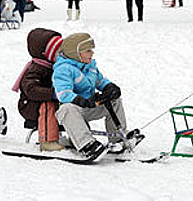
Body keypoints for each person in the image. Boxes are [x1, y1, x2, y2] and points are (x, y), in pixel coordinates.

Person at [52, 33, 139, 161]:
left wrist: (110, 87)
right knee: (67, 109)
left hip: (90, 106)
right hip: (75, 111)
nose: (92, 53)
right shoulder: (63, 69)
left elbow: (100, 81)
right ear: (75, 53)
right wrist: (83, 101)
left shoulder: (89, 66)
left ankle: (118, 139)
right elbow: (64, 94)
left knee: (115, 101)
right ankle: (87, 145)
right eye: (88, 50)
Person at [13, 28, 64, 151]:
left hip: (47, 99)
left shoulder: (55, 66)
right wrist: (53, 94)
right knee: (48, 105)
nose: (63, 55)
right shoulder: (36, 69)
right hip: (30, 105)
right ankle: (47, 141)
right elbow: (31, 90)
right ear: (47, 53)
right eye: (59, 52)